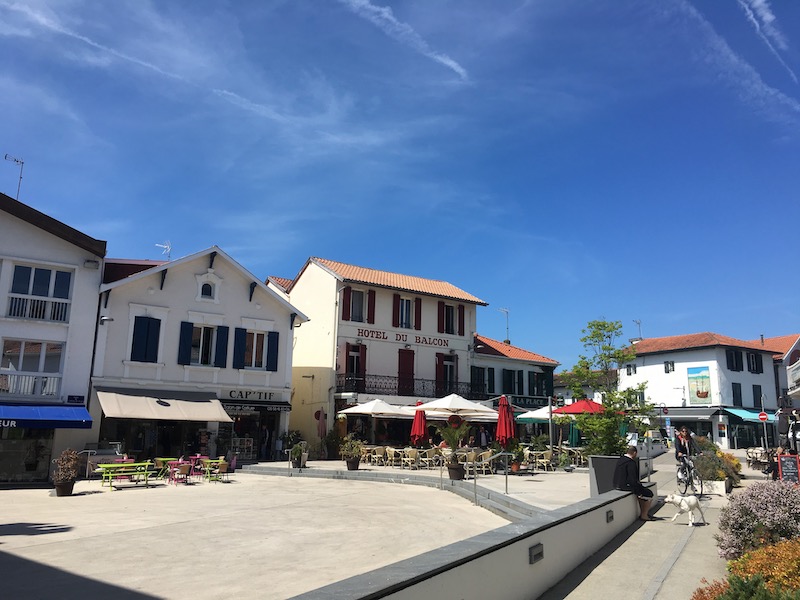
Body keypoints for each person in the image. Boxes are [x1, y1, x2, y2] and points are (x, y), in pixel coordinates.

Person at [613, 445, 655, 521]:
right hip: (626, 486)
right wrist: (638, 491)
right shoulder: (631, 463)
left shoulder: (621, 460)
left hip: (617, 484)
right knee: (649, 494)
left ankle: (643, 513)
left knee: (642, 495)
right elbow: (632, 479)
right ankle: (644, 515)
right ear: (634, 453)